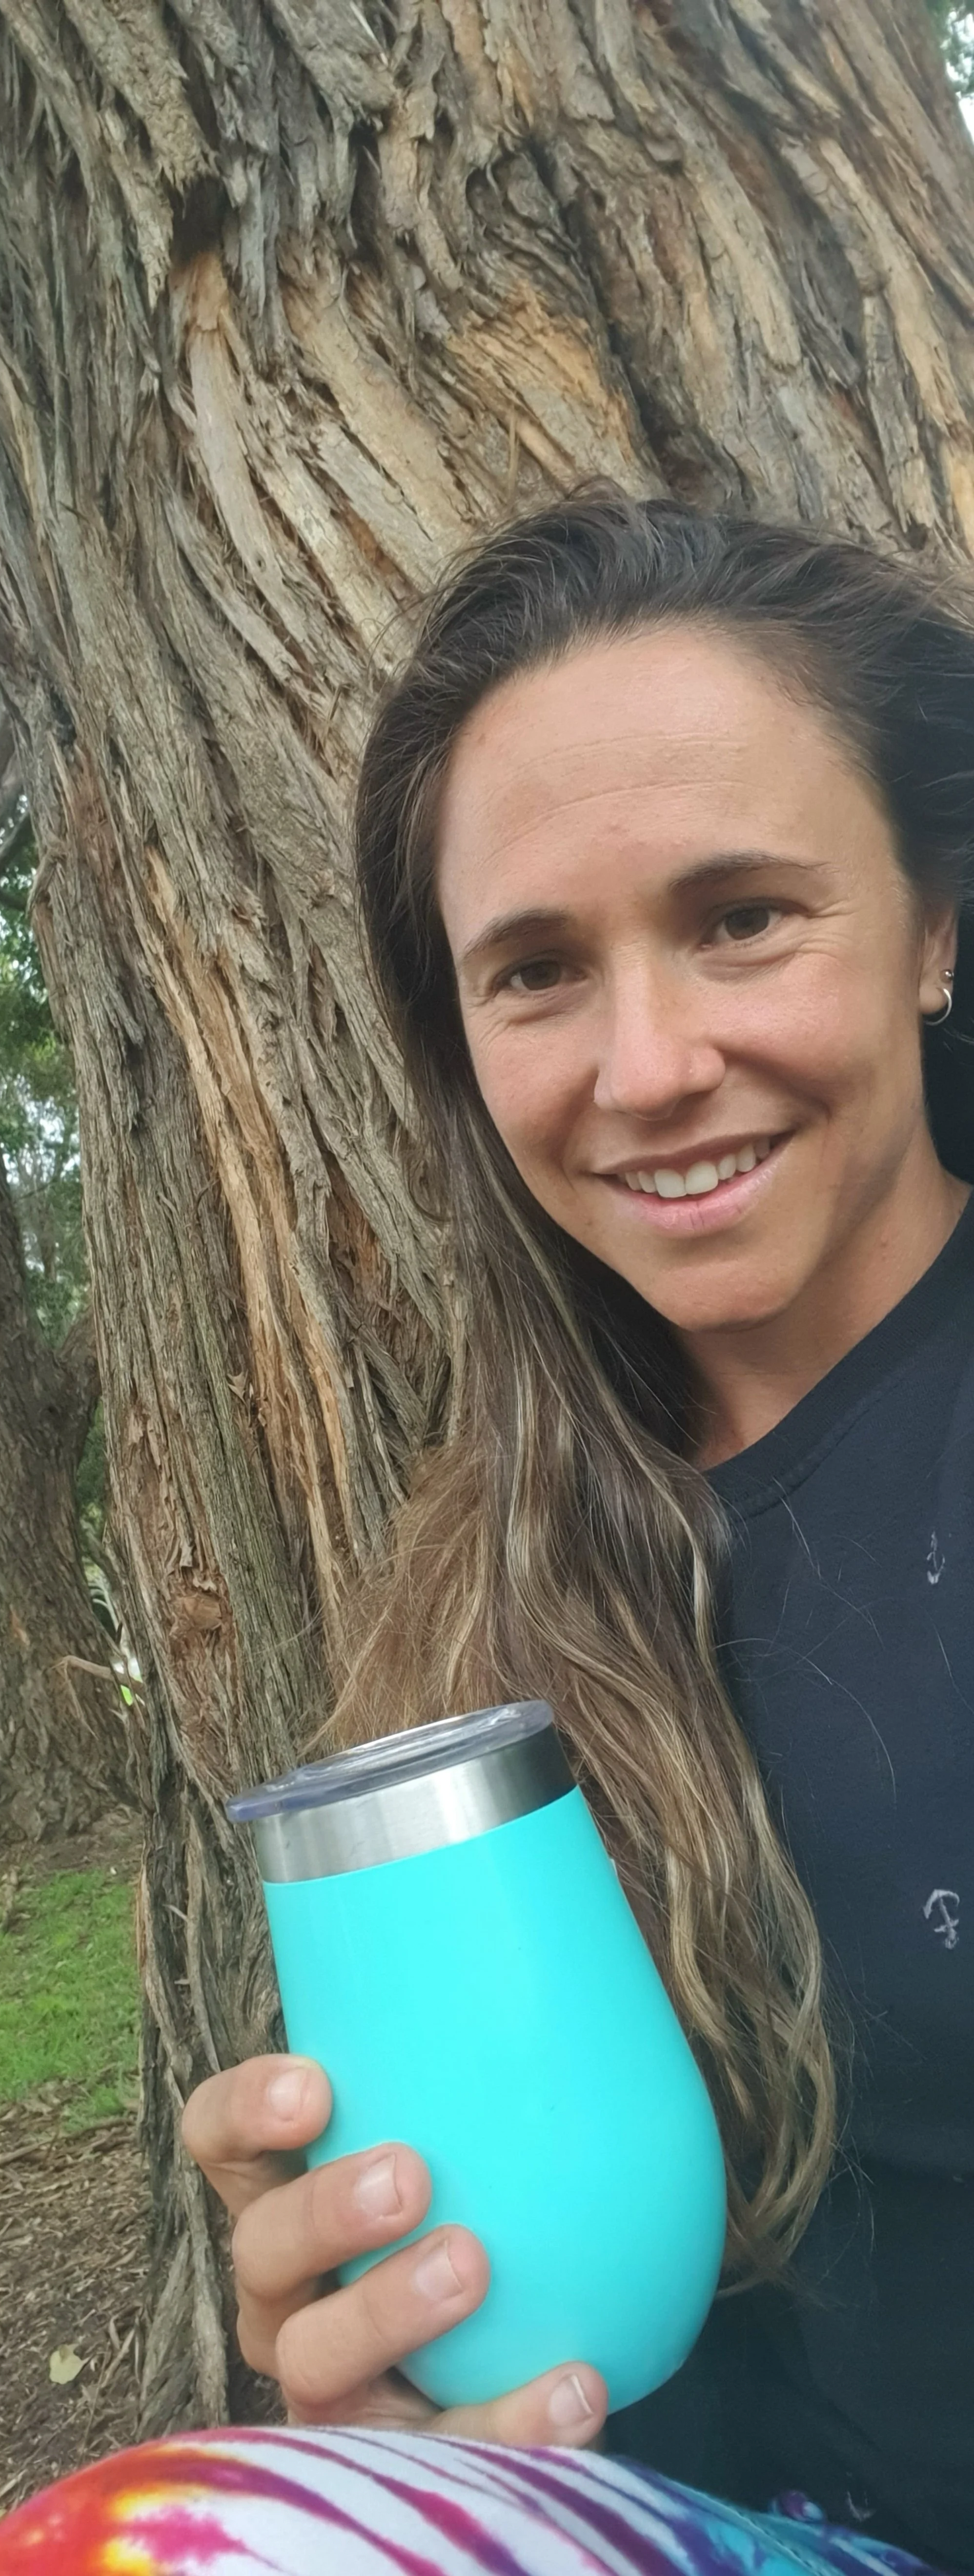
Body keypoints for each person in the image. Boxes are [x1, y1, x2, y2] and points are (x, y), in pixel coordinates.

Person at [172, 487, 974, 2576]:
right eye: (536, 969)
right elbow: (525, 2332)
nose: (648, 1065)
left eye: (741, 917)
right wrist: (387, 2363)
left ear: (936, 925)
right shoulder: (488, 1583)